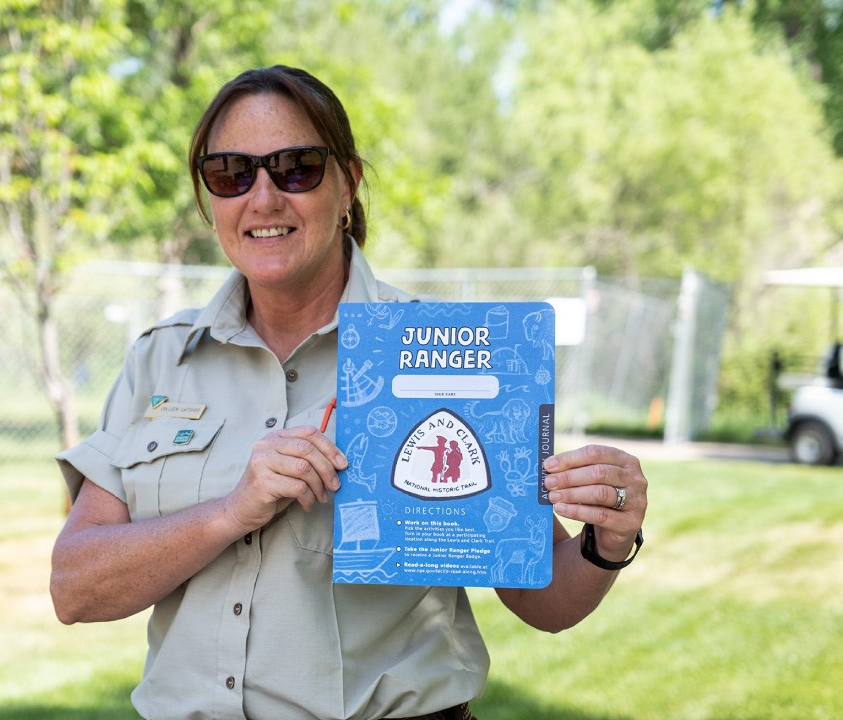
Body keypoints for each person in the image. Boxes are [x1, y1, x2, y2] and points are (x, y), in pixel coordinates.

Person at [50, 65, 649, 720]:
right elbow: (75, 587)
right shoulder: (160, 358)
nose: (263, 197)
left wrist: (607, 539)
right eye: (230, 174)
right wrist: (230, 512)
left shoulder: (443, 350)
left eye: (297, 167)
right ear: (208, 200)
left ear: (347, 186)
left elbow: (543, 600)